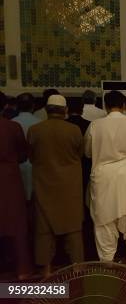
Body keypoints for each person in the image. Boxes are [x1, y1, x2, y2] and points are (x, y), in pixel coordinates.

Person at [85, 90, 126, 264]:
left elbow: (88, 152)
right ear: (123, 106)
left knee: (104, 221)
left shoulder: (95, 125)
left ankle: (107, 261)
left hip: (104, 177)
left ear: (105, 106)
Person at [28, 95, 84, 277]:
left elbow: (31, 156)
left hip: (44, 185)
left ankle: (46, 271)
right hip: (70, 186)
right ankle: (78, 270)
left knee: (44, 231)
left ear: (46, 110)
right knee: (73, 230)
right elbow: (81, 153)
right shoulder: (74, 130)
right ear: (65, 110)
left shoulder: (35, 130)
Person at [0, 91, 33, 280]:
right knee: (16, 225)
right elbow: (23, 154)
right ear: (5, 106)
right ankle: (22, 273)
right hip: (10, 178)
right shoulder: (12, 127)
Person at [12, 93, 41, 200]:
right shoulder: (39, 122)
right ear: (33, 105)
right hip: (36, 166)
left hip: (17, 166)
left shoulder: (13, 122)